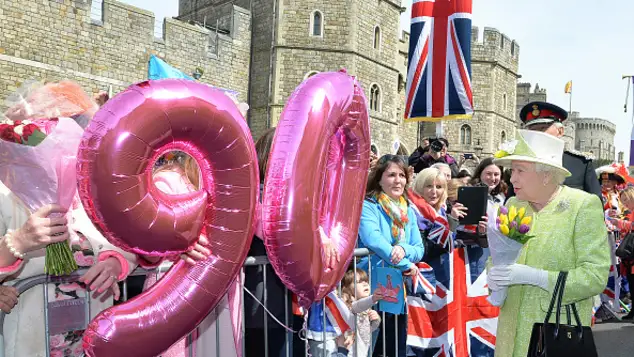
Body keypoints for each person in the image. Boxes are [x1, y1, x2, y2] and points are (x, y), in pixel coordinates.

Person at [487, 129, 610, 357]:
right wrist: (495, 279)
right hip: (509, 337)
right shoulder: (514, 204)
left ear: (546, 175)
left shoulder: (582, 206)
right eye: (512, 170)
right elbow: (497, 254)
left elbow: (595, 277)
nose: (512, 178)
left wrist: (536, 277)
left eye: (520, 171)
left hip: (555, 338)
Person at [0, 187, 138, 357]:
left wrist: (117, 262)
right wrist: (18, 241)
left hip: (92, 332)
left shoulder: (92, 183)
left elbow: (131, 240)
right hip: (27, 335)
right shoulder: (5, 187)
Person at [358, 154, 424, 357]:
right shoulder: (368, 206)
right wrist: (405, 263)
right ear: (379, 178)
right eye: (391, 175)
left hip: (396, 288)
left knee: (393, 345)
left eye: (402, 175)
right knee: (370, 345)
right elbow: (373, 240)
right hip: (371, 283)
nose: (398, 180)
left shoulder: (408, 211)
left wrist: (404, 249)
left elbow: (419, 248)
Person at [510, 101, 602, 200]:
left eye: (542, 129)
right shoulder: (520, 165)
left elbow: (595, 206)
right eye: (532, 130)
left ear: (560, 131)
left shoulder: (581, 164)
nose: (537, 134)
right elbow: (509, 207)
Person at [340, 268, 384, 357]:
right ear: (348, 288)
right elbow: (357, 306)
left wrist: (376, 321)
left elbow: (367, 330)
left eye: (366, 281)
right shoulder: (348, 304)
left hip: (362, 351)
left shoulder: (366, 306)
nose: (365, 284)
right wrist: (373, 299)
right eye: (359, 282)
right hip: (350, 352)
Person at [607, 187, 634, 319]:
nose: (624, 203)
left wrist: (619, 223)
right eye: (622, 200)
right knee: (631, 281)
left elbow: (631, 226)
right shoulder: (629, 212)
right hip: (630, 254)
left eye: (626, 199)